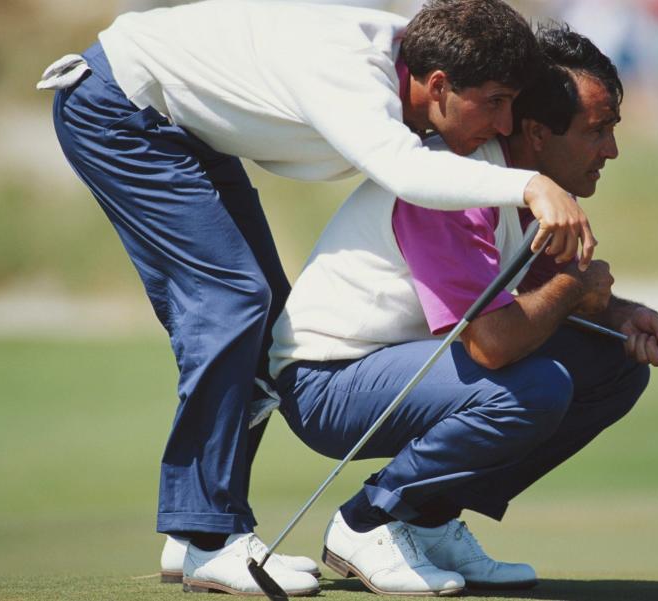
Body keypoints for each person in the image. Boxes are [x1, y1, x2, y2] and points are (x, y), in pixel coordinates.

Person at [38, 0, 599, 595]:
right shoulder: (349, 75)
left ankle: (194, 532)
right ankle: (208, 537)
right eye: (495, 102)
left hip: (178, 123)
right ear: (437, 85)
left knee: (252, 315)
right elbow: (406, 174)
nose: (507, 123)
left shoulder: (422, 62)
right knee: (232, 304)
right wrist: (532, 183)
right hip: (117, 106)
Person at [268, 24, 658, 597]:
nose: (611, 149)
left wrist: (619, 315)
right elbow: (493, 343)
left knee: (613, 363)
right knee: (531, 386)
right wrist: (574, 286)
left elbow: (542, 300)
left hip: (409, 370)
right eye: (598, 130)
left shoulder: (530, 194)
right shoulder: (457, 185)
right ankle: (367, 523)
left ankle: (428, 521)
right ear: (537, 133)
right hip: (328, 381)